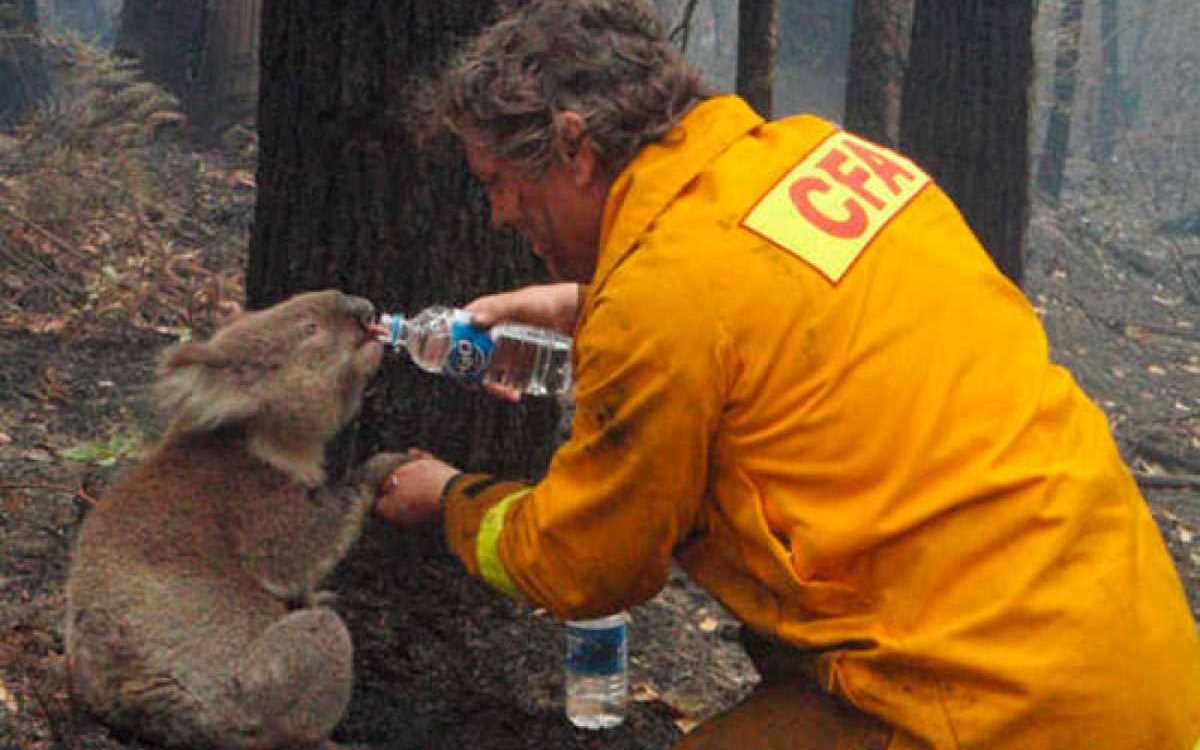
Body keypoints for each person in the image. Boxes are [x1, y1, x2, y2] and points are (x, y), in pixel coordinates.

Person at [375, 1, 1200, 748]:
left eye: (499, 184)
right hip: (1134, 653)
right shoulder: (819, 156)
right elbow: (765, 309)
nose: (499, 215)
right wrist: (577, 304)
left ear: (573, 148)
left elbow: (584, 564)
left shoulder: (664, 302)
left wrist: (449, 499)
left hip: (996, 709)